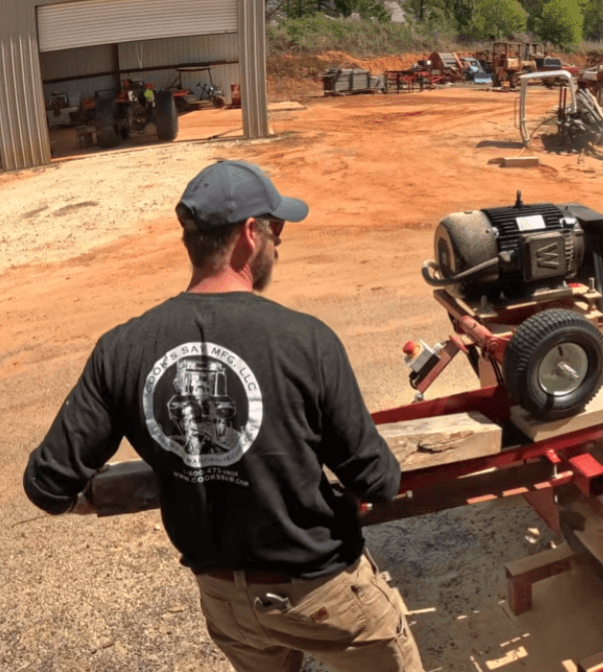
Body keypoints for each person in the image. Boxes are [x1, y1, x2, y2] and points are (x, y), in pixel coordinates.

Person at [23, 160, 424, 672]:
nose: (280, 242)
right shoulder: (305, 340)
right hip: (322, 593)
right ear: (250, 235)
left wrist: (179, 475)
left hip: (223, 600)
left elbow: (48, 486)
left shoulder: (123, 347)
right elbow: (378, 482)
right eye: (276, 229)